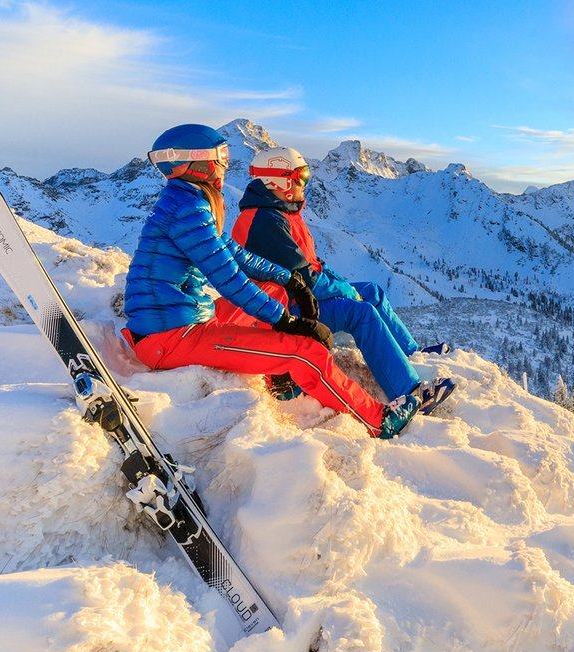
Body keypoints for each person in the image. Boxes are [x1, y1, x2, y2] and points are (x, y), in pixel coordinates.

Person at [122, 124, 419, 439]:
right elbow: (229, 279)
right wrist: (288, 322)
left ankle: (279, 375)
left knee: (273, 290)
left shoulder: (187, 201)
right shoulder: (188, 210)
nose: (225, 164)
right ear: (198, 161)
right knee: (305, 351)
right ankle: (377, 421)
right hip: (170, 338)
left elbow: (234, 253)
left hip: (183, 318)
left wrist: (288, 279)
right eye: (221, 156)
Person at [232, 146, 454, 412]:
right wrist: (346, 292)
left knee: (371, 291)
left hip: (298, 297)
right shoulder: (264, 221)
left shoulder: (280, 212)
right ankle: (410, 392)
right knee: (361, 313)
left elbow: (311, 266)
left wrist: (345, 286)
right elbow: (305, 281)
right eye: (299, 177)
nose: (305, 183)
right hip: (283, 310)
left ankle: (410, 354)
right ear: (277, 179)